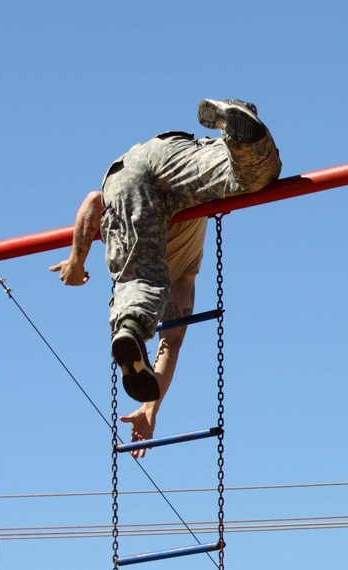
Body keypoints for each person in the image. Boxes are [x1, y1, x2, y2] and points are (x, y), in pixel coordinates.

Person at [50, 99, 282, 456]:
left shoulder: (181, 276)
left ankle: (130, 326)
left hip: (138, 168)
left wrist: (75, 261)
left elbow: (93, 202)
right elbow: (170, 342)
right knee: (253, 175)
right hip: (178, 158)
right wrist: (151, 404)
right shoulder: (184, 277)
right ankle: (238, 133)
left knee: (140, 276)